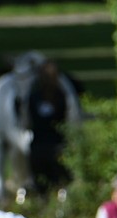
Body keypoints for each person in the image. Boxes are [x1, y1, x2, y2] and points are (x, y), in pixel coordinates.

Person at [25, 60, 73, 194]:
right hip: (56, 145)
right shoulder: (60, 96)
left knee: (41, 187)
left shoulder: (33, 97)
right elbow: (64, 121)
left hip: (38, 146)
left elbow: (28, 121)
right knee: (60, 184)